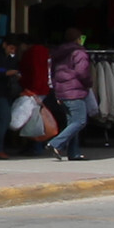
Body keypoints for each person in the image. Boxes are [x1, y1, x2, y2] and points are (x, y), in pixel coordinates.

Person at [45, 28, 93, 161]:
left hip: (62, 91)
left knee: (72, 122)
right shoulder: (79, 53)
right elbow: (82, 72)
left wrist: (56, 92)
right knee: (80, 121)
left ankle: (74, 152)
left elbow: (53, 74)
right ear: (78, 39)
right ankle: (55, 143)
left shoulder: (58, 53)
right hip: (75, 91)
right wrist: (89, 83)